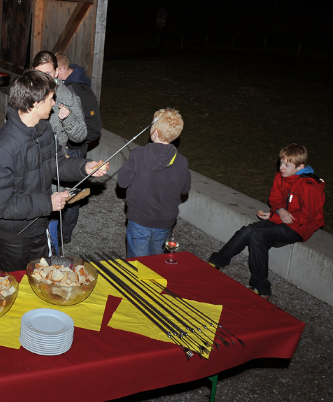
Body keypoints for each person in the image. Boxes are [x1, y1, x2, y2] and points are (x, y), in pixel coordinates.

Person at [0, 70, 107, 272]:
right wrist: (47, 202)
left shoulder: (44, 129)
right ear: (35, 104)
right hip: (13, 235)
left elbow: (56, 164)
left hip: (40, 224)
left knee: (42, 279)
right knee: (18, 286)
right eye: (50, 98)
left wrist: (84, 167)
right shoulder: (0, 149)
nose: (54, 103)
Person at [209, 144, 325, 299]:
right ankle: (217, 261)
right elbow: (275, 198)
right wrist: (280, 210)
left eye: (286, 165)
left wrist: (273, 216)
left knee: (258, 236)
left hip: (299, 228)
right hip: (281, 219)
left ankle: (261, 287)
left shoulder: (309, 186)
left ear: (300, 167)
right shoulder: (280, 177)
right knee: (248, 230)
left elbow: (308, 217)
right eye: (281, 163)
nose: (281, 168)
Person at [117, 108, 191, 258]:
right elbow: (185, 189)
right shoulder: (182, 161)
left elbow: (122, 182)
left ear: (155, 132)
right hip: (164, 222)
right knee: (155, 261)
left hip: (139, 219)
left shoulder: (138, 154)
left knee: (137, 264)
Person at [32, 50, 87, 243]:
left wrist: (68, 119)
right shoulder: (26, 91)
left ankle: (52, 254)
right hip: (29, 161)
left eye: (48, 73)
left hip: (53, 164)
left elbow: (80, 135)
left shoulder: (68, 97)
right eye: (39, 73)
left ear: (56, 72)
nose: (43, 78)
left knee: (50, 220)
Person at [54, 51, 103, 242]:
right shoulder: (75, 82)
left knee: (70, 194)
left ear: (62, 69)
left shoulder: (73, 90)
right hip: (77, 144)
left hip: (73, 146)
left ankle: (63, 235)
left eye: (53, 71)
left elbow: (91, 126)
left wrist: (76, 144)